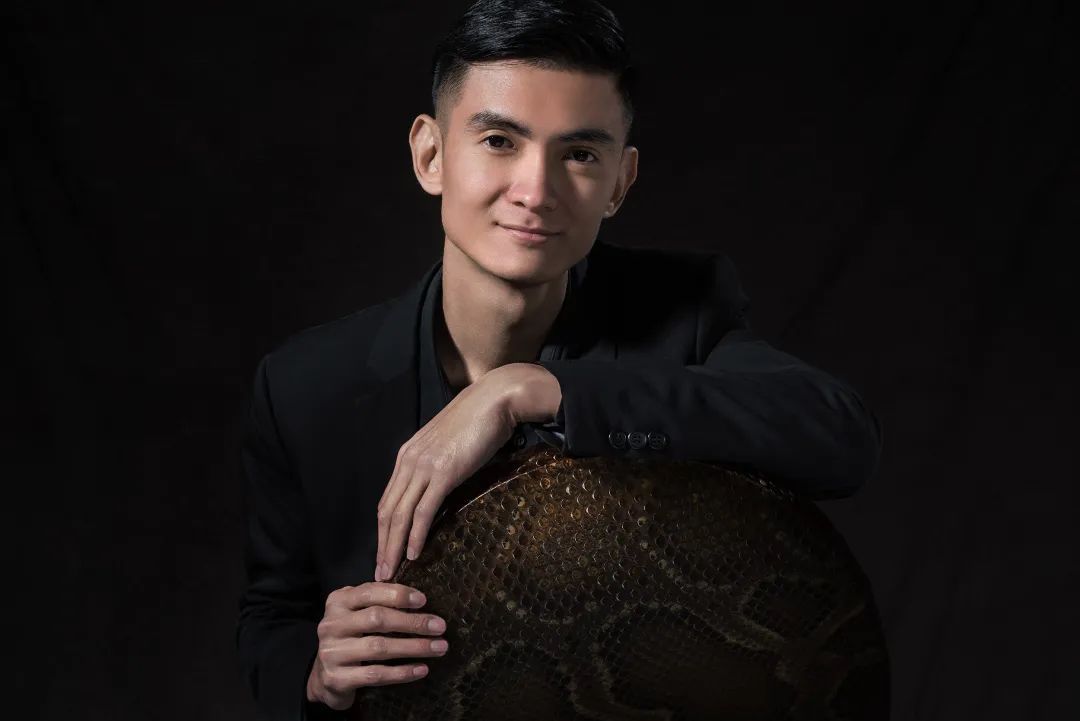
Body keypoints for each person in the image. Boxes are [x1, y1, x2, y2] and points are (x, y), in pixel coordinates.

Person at [235, 0, 884, 718]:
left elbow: (839, 436)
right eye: (499, 141)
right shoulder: (305, 386)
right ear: (430, 155)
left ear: (620, 182)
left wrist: (532, 388)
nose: (536, 192)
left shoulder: (682, 312)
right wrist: (313, 670)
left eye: (579, 154)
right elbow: (273, 613)